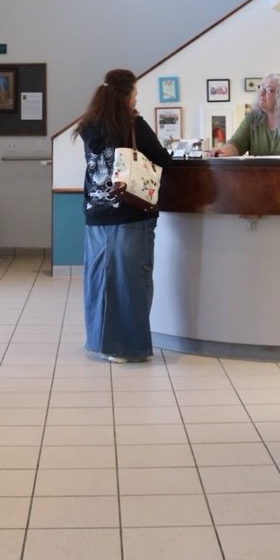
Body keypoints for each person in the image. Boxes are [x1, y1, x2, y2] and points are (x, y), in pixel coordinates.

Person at [73, 68, 172, 363]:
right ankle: (126, 347)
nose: (136, 100)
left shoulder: (89, 125)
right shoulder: (134, 125)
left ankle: (99, 342)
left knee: (99, 279)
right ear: (127, 95)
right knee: (131, 281)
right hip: (131, 212)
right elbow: (163, 160)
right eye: (135, 94)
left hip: (96, 212)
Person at [211, 72, 280, 159]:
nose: (261, 93)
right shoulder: (253, 117)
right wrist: (222, 152)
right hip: (259, 180)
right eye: (261, 87)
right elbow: (236, 143)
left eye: (268, 90)